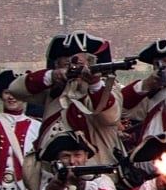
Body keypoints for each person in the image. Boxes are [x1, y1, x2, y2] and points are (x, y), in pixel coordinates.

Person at [23, 32, 123, 167]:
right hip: (52, 171)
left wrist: (94, 84)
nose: (73, 68)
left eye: (79, 64)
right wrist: (52, 76)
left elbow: (110, 117)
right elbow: (16, 89)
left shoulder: (107, 88)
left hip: (95, 172)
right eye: (66, 65)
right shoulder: (54, 89)